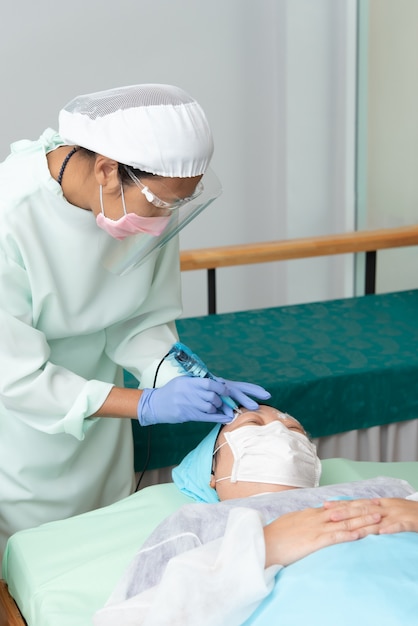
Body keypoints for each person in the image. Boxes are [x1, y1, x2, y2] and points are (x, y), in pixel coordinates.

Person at [0, 83, 270, 563]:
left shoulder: (140, 210)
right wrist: (146, 402)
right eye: (162, 204)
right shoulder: (11, 217)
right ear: (106, 169)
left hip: (103, 421)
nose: (165, 220)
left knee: (106, 546)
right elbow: (17, 377)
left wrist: (182, 374)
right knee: (36, 563)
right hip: (24, 433)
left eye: (178, 205)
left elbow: (139, 321)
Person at [94, 405, 418, 625]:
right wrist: (264, 549)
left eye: (295, 429)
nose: (280, 430)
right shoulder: (196, 523)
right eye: (253, 424)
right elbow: (134, 618)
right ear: (212, 470)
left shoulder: (382, 490)